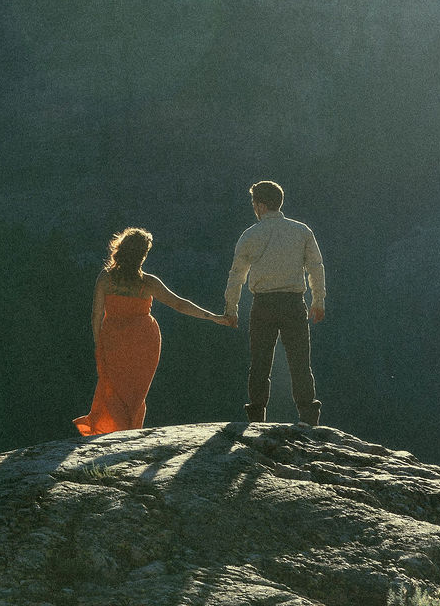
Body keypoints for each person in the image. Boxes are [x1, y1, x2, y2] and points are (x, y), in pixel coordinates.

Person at [75, 227, 231, 436]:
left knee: (112, 388)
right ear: (141, 255)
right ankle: (129, 432)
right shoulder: (147, 283)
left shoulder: (106, 278)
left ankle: (112, 432)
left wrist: (99, 344)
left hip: (113, 342)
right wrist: (213, 317)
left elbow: (96, 316)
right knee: (135, 393)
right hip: (143, 343)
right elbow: (179, 304)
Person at [224, 180, 326, 426]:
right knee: (300, 361)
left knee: (260, 362)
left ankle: (256, 417)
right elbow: (315, 267)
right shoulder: (302, 231)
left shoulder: (250, 235)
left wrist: (231, 308)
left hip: (263, 304)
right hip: (294, 303)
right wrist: (319, 299)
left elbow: (237, 274)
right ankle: (308, 416)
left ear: (260, 205)